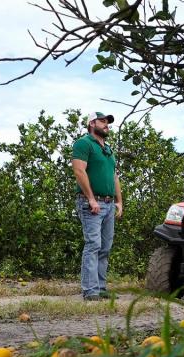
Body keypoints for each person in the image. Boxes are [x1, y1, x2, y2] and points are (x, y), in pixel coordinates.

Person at [72, 112, 122, 300]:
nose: (106, 124)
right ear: (92, 123)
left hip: (109, 204)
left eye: (108, 121)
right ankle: (90, 291)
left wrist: (119, 201)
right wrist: (91, 199)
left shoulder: (108, 149)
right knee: (93, 245)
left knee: (105, 247)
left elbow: (114, 176)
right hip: (91, 203)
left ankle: (100, 288)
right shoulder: (83, 143)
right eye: (102, 121)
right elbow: (79, 171)